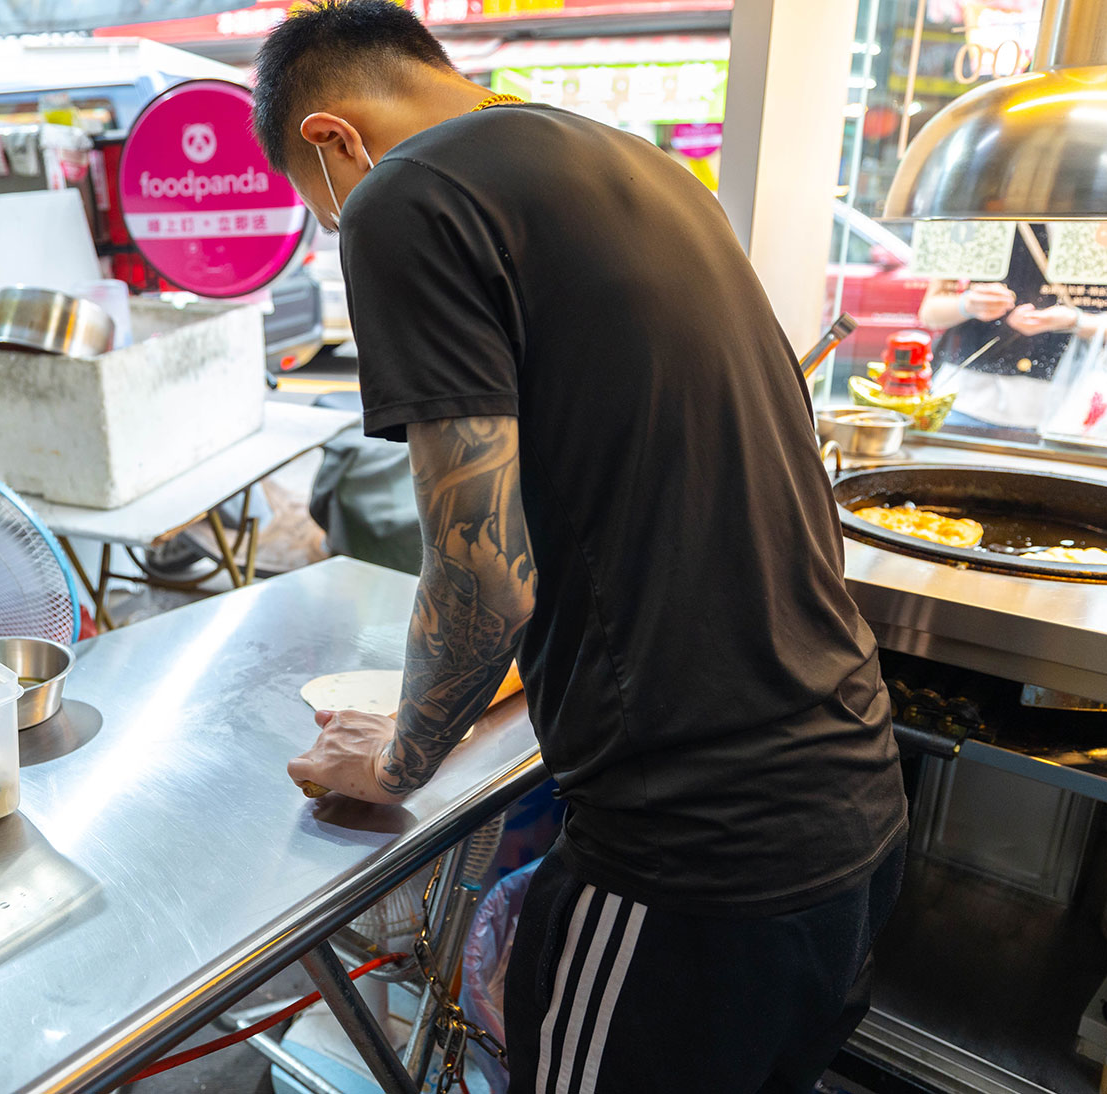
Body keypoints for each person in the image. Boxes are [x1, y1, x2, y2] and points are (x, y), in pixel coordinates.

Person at [256, 4, 908, 1090]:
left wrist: (393, 760)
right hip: (852, 806)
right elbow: (627, 494)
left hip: (690, 861)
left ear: (334, 138)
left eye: (318, 207)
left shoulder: (401, 196)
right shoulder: (638, 170)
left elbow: (479, 568)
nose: (336, 227)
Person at [918, 225, 1107, 432]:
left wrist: (1074, 320)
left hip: (1063, 410)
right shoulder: (982, 215)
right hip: (966, 399)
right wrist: (968, 304)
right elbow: (930, 311)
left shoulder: (1105, 226)